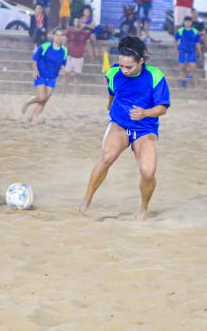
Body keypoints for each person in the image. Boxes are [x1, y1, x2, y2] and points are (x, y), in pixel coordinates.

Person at [77, 36, 170, 219]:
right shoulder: (113, 73)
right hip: (120, 124)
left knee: (148, 172)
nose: (124, 70)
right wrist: (109, 104)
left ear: (141, 62)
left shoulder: (155, 76)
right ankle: (86, 200)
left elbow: (163, 108)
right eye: (121, 65)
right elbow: (112, 91)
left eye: (129, 67)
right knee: (107, 157)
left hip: (145, 129)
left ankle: (143, 208)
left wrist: (145, 112)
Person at [21, 28, 68, 123]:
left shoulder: (64, 51)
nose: (59, 37)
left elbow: (63, 64)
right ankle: (27, 103)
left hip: (52, 77)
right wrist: (35, 71)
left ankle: (34, 117)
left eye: (61, 35)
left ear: (63, 37)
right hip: (41, 75)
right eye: (57, 35)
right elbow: (35, 59)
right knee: (41, 97)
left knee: (44, 100)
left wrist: (63, 70)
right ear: (53, 36)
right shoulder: (45, 46)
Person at [62, 18, 91, 96]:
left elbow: (88, 44)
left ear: (81, 22)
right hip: (70, 56)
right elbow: (64, 41)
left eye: (79, 21)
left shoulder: (85, 33)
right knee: (66, 74)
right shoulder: (69, 30)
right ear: (74, 22)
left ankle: (75, 93)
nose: (77, 22)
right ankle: (63, 92)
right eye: (76, 21)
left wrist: (91, 54)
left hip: (79, 57)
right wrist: (62, 52)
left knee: (77, 75)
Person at [174, 16, 202, 88]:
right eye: (186, 22)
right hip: (182, 52)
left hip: (191, 52)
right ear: (184, 22)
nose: (187, 23)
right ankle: (183, 84)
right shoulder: (180, 31)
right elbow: (175, 41)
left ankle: (196, 84)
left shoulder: (195, 31)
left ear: (191, 23)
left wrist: (199, 52)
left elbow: (197, 43)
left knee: (194, 68)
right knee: (182, 68)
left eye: (189, 22)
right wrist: (176, 50)